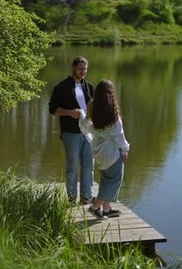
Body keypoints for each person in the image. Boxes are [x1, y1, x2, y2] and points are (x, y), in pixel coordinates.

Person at [78, 79, 130, 219]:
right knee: (114, 181)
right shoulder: (112, 114)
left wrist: (82, 116)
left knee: (106, 179)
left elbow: (84, 125)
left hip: (98, 151)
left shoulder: (92, 107)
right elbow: (120, 136)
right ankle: (96, 206)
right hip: (112, 153)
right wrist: (125, 150)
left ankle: (106, 209)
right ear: (111, 94)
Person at [49, 56, 95, 204]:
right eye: (80, 68)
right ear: (73, 68)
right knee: (72, 167)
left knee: (89, 166)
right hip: (71, 133)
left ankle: (86, 197)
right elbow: (53, 110)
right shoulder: (61, 87)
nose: (83, 72)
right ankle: (71, 198)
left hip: (88, 133)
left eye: (85, 69)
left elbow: (95, 108)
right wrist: (70, 112)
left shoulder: (89, 87)